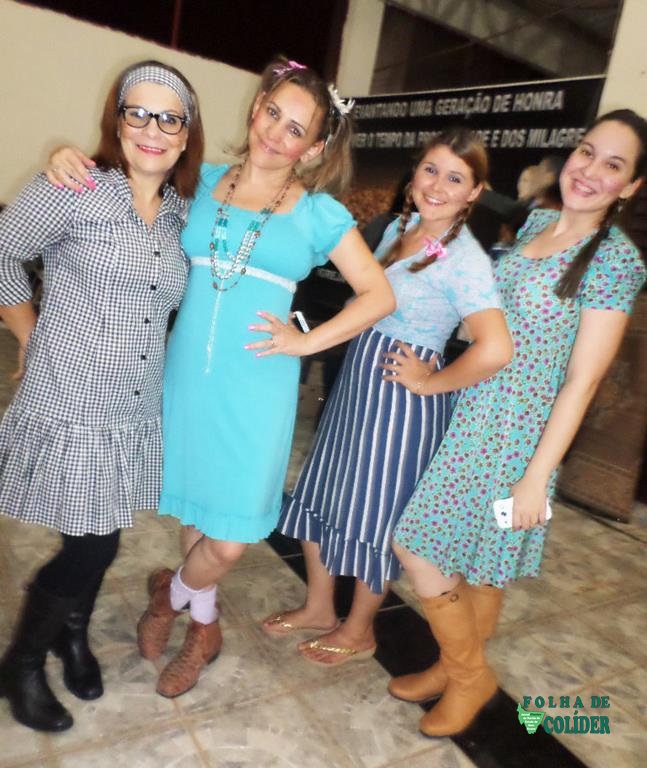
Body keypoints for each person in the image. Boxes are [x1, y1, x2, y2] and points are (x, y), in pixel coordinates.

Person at [46, 56, 395, 698]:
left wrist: (307, 341)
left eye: (296, 130)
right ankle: (203, 629)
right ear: (257, 107)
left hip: (258, 386)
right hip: (186, 377)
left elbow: (379, 295)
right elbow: (129, 169)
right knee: (198, 513)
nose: (276, 134)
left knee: (229, 540)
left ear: (314, 147)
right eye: (273, 113)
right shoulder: (200, 180)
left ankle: (169, 596)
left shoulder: (319, 214)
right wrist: (70, 160)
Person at [388, 109, 647, 738]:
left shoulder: (616, 262)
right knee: (475, 560)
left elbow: (582, 382)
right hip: (473, 410)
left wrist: (536, 477)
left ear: (632, 186)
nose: (590, 170)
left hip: (519, 438)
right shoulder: (536, 222)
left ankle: (469, 676)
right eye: (587, 152)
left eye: (613, 164)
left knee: (416, 545)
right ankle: (455, 667)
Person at [0, 60, 204, 732]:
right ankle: (20, 665)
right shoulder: (75, 187)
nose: (152, 129)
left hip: (132, 406)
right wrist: (28, 333)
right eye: (137, 112)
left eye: (169, 118)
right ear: (117, 121)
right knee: (92, 547)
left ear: (185, 134)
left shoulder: (182, 215)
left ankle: (71, 637)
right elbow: (1, 251)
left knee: (100, 532)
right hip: (71, 397)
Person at [261, 128, 513, 667]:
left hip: (402, 400)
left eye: (455, 178)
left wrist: (428, 381)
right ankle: (320, 607)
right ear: (414, 171)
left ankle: (359, 630)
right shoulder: (402, 227)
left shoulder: (465, 258)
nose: (437, 186)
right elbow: (370, 300)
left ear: (474, 192)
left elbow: (495, 348)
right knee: (324, 490)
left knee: (375, 515)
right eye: (430, 170)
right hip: (360, 379)